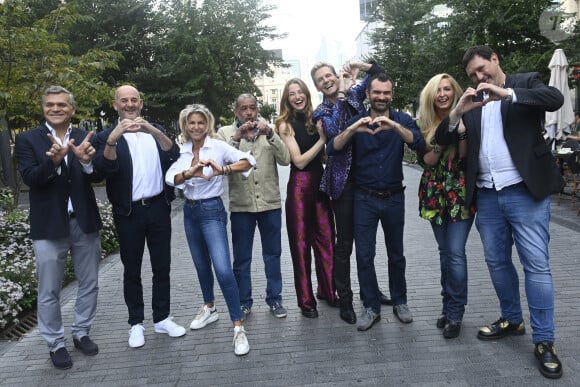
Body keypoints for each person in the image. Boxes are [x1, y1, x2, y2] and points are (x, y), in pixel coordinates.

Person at [435, 45, 564, 379]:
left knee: (536, 265)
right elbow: (442, 137)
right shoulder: (472, 104)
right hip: (488, 195)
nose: (480, 78)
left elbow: (554, 99)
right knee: (496, 261)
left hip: (525, 191)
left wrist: (506, 93)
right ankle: (512, 318)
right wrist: (457, 111)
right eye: (473, 75)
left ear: (495, 61)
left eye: (482, 70)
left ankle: (545, 341)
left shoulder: (524, 83)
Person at [329, 73, 425, 331]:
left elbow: (418, 143)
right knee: (364, 256)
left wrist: (393, 126)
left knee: (397, 255)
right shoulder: (356, 120)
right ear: (368, 94)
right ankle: (371, 307)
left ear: (391, 94)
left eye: (386, 93)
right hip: (364, 199)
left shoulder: (402, 119)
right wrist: (352, 128)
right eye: (377, 92)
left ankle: (400, 302)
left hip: (394, 197)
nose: (382, 97)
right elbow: (332, 148)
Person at [92, 85, 186, 349]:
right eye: (124, 100)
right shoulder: (105, 136)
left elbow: (174, 154)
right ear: (115, 105)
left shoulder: (154, 130)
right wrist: (113, 138)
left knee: (162, 266)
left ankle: (162, 318)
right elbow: (103, 170)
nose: (130, 104)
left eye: (134, 100)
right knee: (131, 268)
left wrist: (153, 131)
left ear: (141, 103)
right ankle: (136, 323)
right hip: (128, 212)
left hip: (158, 207)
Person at [15, 86, 102, 369]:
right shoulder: (28, 139)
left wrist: (88, 163)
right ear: (44, 109)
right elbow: (31, 178)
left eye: (62, 105)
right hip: (49, 226)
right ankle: (55, 343)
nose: (55, 109)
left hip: (84, 221)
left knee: (89, 283)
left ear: (72, 110)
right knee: (49, 289)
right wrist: (52, 162)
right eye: (50, 105)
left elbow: (100, 174)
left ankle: (81, 332)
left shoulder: (85, 137)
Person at [165, 104, 256, 356]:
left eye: (200, 123)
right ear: (185, 125)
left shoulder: (217, 146)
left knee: (223, 270)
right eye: (191, 123)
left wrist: (223, 169)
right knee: (201, 265)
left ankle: (238, 327)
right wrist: (188, 173)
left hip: (212, 212)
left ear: (208, 124)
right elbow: (170, 178)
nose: (196, 127)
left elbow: (248, 161)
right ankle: (210, 308)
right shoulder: (182, 149)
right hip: (190, 212)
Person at [311, 60, 391, 325]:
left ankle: (371, 291)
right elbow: (334, 134)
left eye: (329, 75)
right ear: (317, 86)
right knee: (345, 243)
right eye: (320, 79)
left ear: (337, 75)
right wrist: (343, 95)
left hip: (367, 176)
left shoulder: (359, 92)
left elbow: (381, 75)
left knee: (367, 242)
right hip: (342, 182)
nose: (326, 80)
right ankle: (345, 298)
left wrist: (360, 66)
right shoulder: (321, 111)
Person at [216, 94, 290, 320]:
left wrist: (270, 134)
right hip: (241, 206)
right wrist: (237, 138)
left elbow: (286, 159)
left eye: (252, 108)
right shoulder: (225, 133)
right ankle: (244, 302)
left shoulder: (268, 130)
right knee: (242, 258)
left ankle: (275, 299)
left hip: (270, 204)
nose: (249, 112)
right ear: (235, 110)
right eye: (243, 108)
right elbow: (219, 163)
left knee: (273, 255)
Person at [416, 74, 476, 339]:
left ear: (455, 91)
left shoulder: (469, 116)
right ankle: (446, 306)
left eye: (447, 88)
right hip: (434, 194)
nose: (443, 93)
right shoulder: (424, 123)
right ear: (431, 95)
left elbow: (464, 156)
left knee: (455, 252)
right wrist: (444, 134)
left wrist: (461, 130)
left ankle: (455, 313)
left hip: (460, 192)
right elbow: (427, 160)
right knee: (444, 253)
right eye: (438, 90)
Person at [276, 78, 336, 318]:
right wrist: (322, 140)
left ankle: (329, 291)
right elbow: (299, 161)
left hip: (319, 186)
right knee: (301, 247)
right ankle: (306, 300)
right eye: (292, 93)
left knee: (327, 240)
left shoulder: (316, 119)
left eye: (301, 92)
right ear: (287, 98)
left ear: (307, 94)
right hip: (299, 189)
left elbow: (320, 158)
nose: (297, 96)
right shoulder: (284, 124)